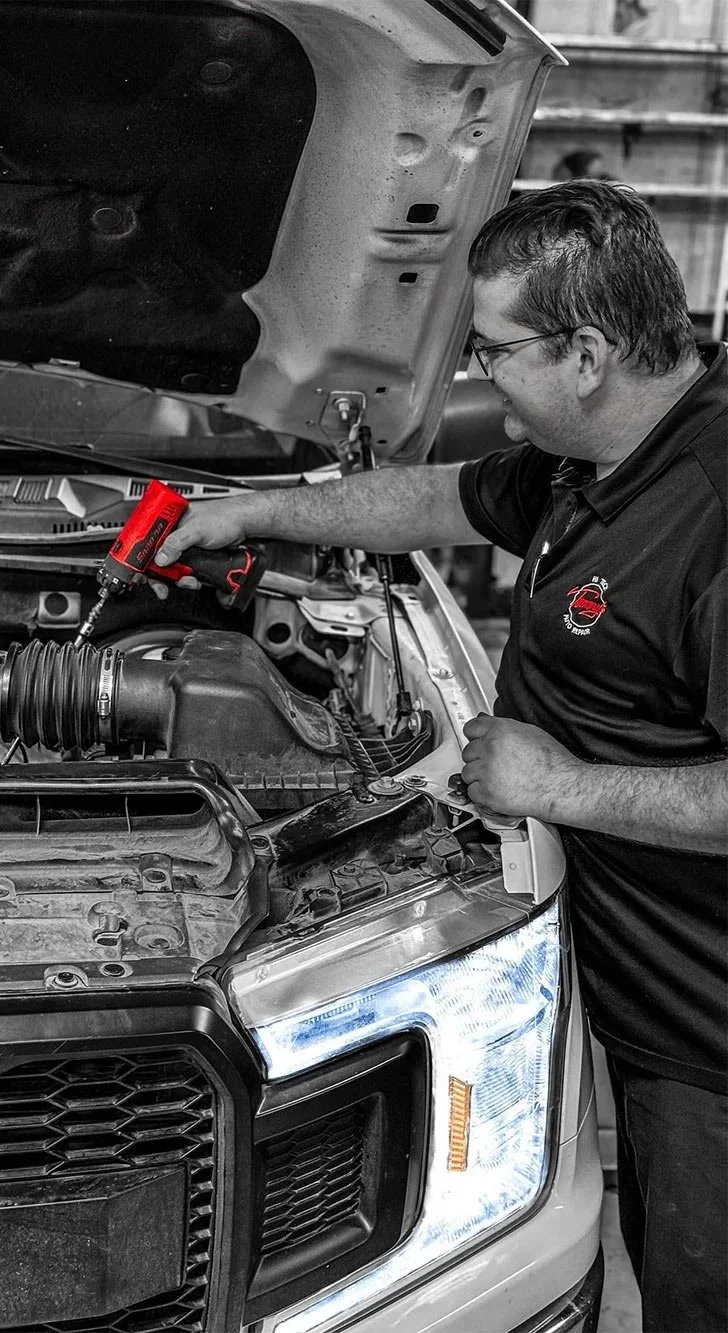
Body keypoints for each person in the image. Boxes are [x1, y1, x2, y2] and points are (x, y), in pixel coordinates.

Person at [154, 179, 727, 1333]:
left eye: (490, 348)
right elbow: (435, 499)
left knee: (694, 1286)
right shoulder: (595, 453)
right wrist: (249, 514)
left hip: (705, 1040)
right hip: (626, 977)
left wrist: (556, 786)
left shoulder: (710, 506)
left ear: (586, 353)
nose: (473, 373)